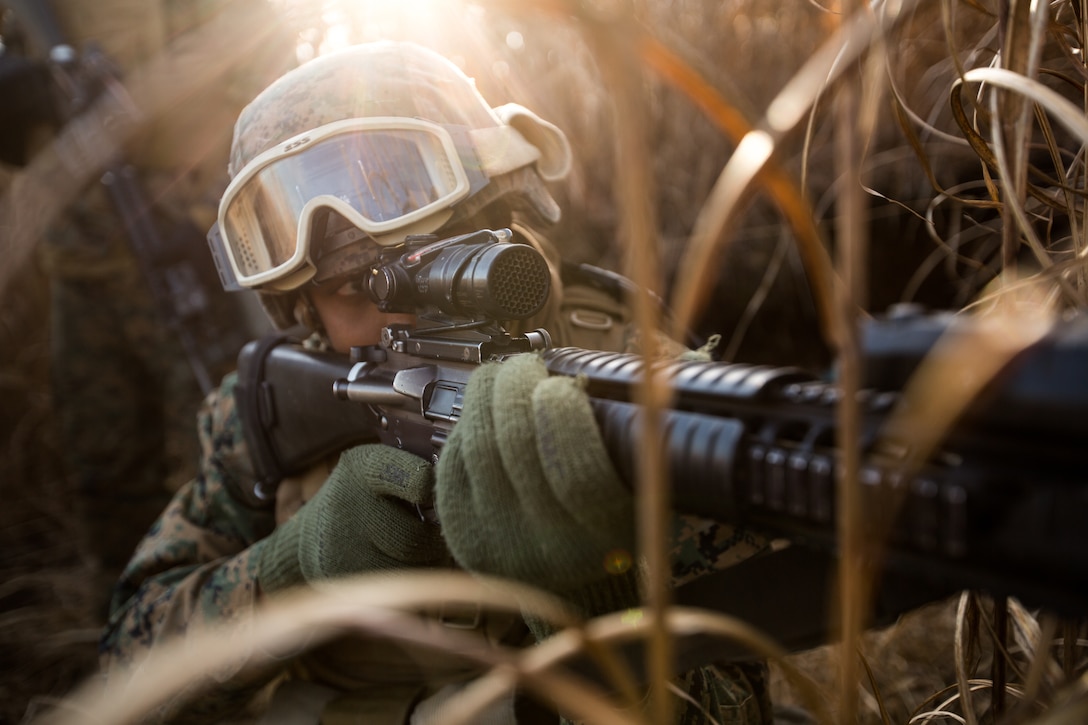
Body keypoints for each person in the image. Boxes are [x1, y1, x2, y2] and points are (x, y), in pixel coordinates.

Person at [102, 41, 774, 724]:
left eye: (431, 269)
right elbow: (128, 665)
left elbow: (736, 702)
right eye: (351, 291)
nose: (398, 315)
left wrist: (597, 602)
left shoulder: (641, 388)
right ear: (300, 309)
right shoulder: (268, 409)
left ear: (501, 238)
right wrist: (290, 567)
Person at [14, 0, 296, 601]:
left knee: (235, 442)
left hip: (195, 233)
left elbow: (265, 42)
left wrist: (144, 108)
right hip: (81, 249)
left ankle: (247, 626)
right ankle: (128, 625)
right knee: (105, 458)